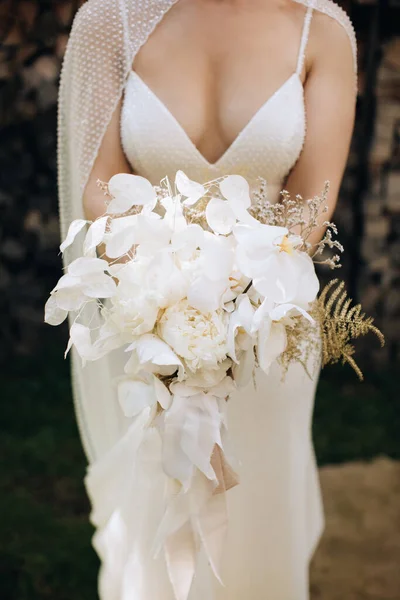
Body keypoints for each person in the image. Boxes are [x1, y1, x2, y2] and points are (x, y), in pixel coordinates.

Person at [58, 1, 357, 598]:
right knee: (155, 496)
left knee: (261, 504)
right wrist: (167, 294)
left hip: (266, 328)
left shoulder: (319, 30)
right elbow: (97, 184)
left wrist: (233, 296)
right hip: (150, 318)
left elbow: (311, 203)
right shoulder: (110, 19)